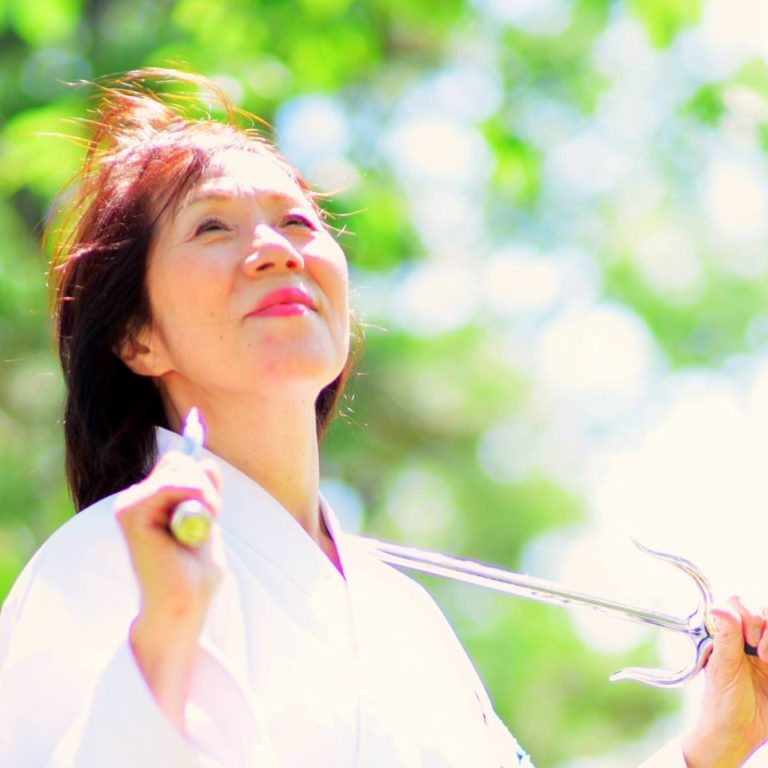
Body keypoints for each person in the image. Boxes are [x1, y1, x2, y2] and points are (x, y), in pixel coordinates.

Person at [0, 68, 766, 768]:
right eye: (211, 228)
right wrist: (161, 646)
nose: (275, 251)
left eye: (298, 224)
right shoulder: (100, 566)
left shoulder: (402, 614)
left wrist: (709, 750)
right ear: (138, 337)